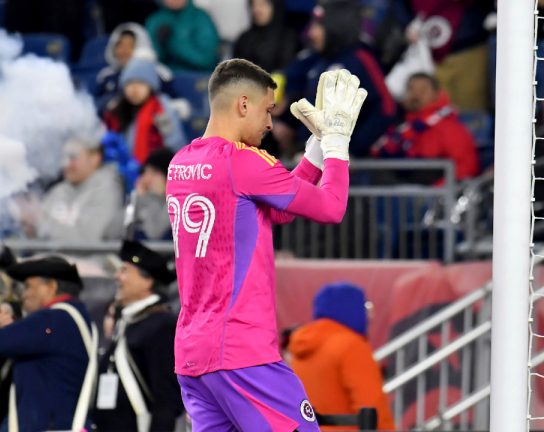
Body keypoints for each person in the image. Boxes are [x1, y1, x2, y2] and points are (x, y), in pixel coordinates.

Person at [166, 58, 366, 430]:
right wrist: (338, 146)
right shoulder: (243, 161)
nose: (271, 123)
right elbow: (331, 207)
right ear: (243, 104)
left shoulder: (182, 162)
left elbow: (275, 210)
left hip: (193, 354)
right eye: (267, 109)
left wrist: (315, 153)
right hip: (241, 350)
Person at [0, 256, 97, 432]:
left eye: (29, 286)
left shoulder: (52, 320)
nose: (23, 294)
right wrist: (12, 330)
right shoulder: (67, 319)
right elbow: (42, 340)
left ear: (51, 286)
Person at [279, 0, 395, 158]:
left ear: (336, 27)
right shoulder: (317, 60)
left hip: (347, 166)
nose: (312, 33)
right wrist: (286, 124)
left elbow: (386, 108)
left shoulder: (361, 59)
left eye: (318, 26)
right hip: (310, 155)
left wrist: (352, 150)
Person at [92, 240, 183, 431]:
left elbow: (166, 398)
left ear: (147, 281)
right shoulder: (129, 321)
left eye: (125, 271)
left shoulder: (161, 324)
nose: (117, 276)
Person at [289, 283, 395, 431]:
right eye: (365, 306)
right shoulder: (351, 345)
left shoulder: (301, 345)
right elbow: (372, 406)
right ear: (351, 308)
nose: (369, 315)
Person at [371, 73, 479, 183]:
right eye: (411, 89)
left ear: (437, 94)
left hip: (433, 193)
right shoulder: (394, 125)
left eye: (423, 90)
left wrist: (437, 193)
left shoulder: (449, 127)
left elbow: (465, 167)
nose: (416, 95)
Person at [37, 136, 124, 241]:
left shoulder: (108, 191)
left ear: (94, 158)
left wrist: (39, 223)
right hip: (49, 257)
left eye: (72, 157)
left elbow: (88, 240)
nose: (65, 164)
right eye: (63, 157)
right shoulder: (59, 190)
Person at [103, 58, 187, 162]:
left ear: (150, 87)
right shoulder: (116, 110)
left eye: (141, 83)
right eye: (129, 83)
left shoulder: (161, 109)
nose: (134, 89)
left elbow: (174, 142)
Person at [95, 23, 174, 113]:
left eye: (130, 46)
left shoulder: (159, 74)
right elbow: (96, 105)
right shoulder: (106, 76)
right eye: (119, 45)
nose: (124, 51)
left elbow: (169, 104)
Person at [145, 0, 220, 72]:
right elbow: (148, 57)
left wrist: (173, 42)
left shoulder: (201, 18)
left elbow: (207, 60)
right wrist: (159, 45)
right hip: (163, 76)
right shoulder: (155, 20)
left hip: (197, 77)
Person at [233, 0, 298, 72]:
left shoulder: (287, 37)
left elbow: (286, 69)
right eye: (253, 5)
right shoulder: (244, 38)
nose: (256, 10)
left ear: (274, 7)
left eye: (262, 5)